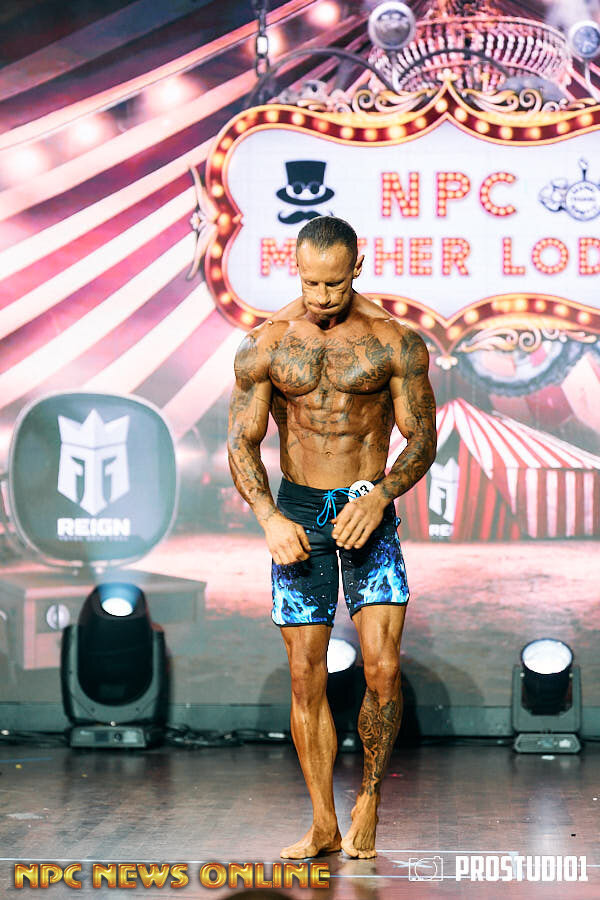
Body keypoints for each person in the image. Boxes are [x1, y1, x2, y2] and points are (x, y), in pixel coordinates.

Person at [227, 216, 436, 860]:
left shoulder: (392, 341)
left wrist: (380, 496)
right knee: (304, 676)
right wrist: (268, 517)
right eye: (311, 283)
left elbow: (422, 438)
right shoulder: (267, 343)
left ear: (357, 268)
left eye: (334, 284)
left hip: (365, 506)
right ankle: (323, 822)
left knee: (383, 669)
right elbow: (241, 440)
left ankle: (368, 800)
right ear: (297, 269)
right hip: (297, 512)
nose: (322, 297)